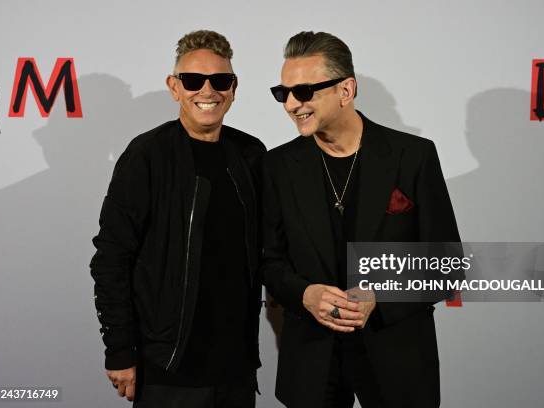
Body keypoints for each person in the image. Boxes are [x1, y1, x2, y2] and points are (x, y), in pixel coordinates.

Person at [262, 31, 460, 408]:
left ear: (346, 90)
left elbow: (447, 266)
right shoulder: (277, 166)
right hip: (312, 362)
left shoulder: (412, 156)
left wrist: (379, 296)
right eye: (282, 92)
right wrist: (305, 294)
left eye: (303, 91)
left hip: (397, 361)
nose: (290, 104)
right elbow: (269, 261)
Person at [90, 30, 265, 408]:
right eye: (192, 80)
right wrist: (120, 349)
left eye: (220, 81)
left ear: (234, 88)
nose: (208, 91)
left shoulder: (251, 154)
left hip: (236, 368)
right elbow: (111, 257)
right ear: (174, 86)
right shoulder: (147, 155)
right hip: (167, 367)